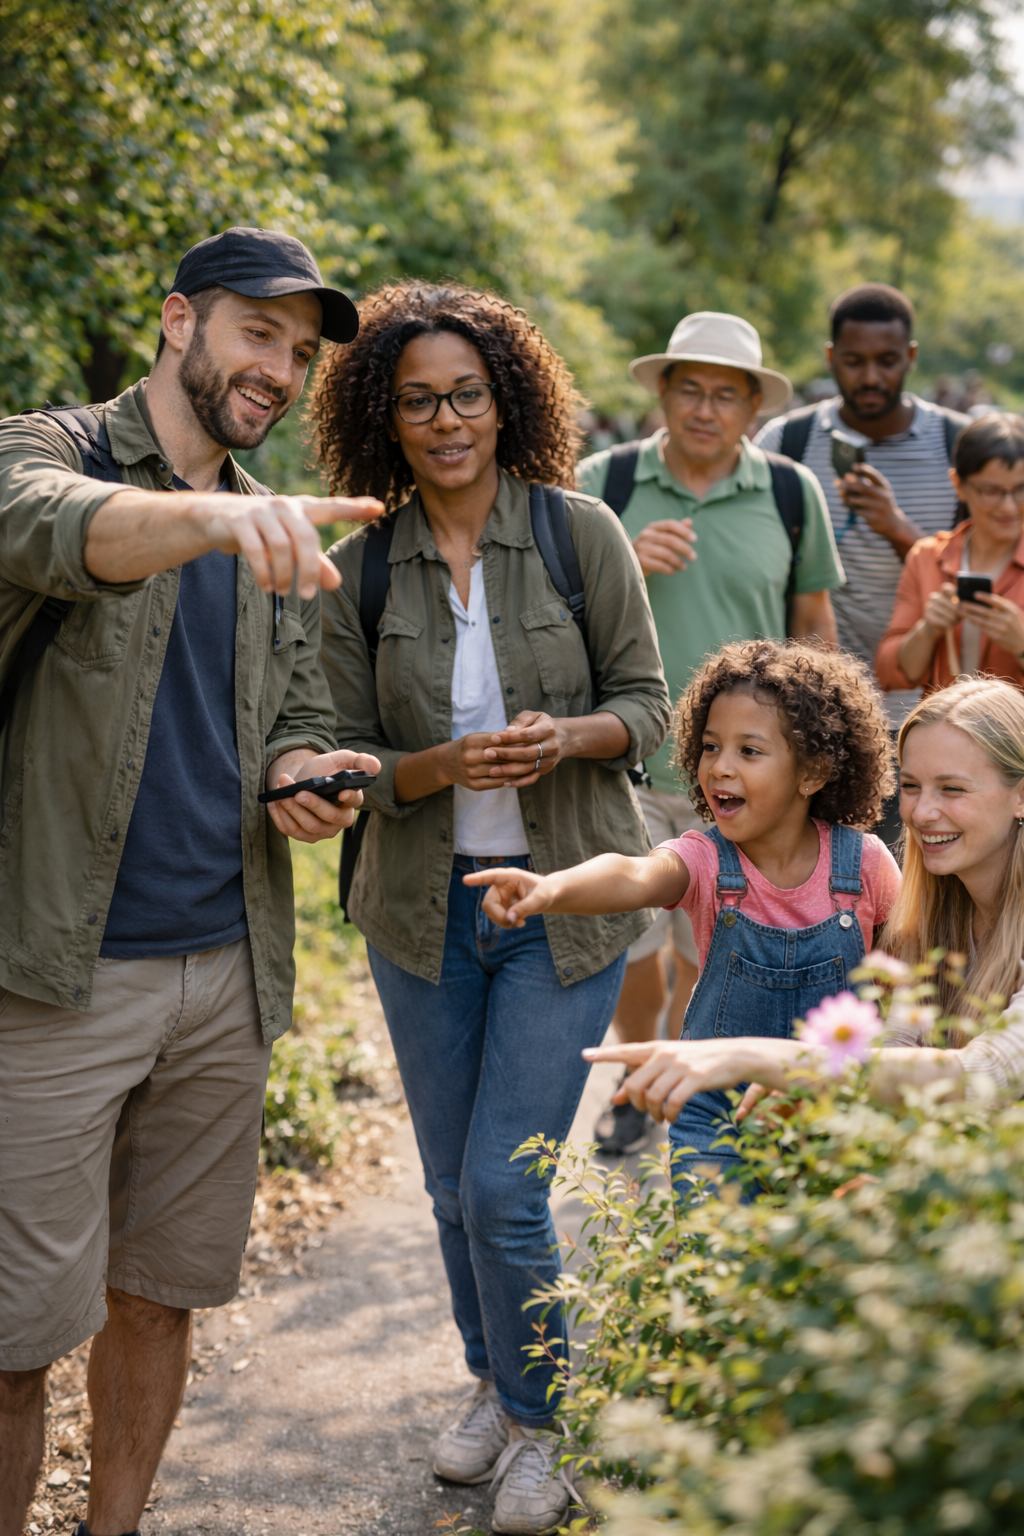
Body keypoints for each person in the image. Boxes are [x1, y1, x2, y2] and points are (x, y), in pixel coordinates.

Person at [0, 227, 384, 1536]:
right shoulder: (42, 451)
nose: (277, 368)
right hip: (52, 972)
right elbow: (51, 533)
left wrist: (308, 772)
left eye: (297, 346)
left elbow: (294, 710)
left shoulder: (278, 532)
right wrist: (207, 514)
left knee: (159, 1295)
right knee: (13, 1333)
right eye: (254, 331)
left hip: (227, 969)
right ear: (179, 320)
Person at [312, 281, 670, 1535]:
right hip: (421, 912)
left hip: (562, 903)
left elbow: (652, 708)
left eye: (467, 393)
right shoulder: (360, 568)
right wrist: (436, 769)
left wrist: (570, 735)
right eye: (419, 401)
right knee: (451, 1188)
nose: (446, 418)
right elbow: (340, 754)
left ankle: (545, 1418)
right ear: (388, 420)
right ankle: (495, 1382)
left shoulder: (580, 536)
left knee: (509, 1182)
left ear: (505, 401)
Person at [467, 638, 900, 1191]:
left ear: (812, 773)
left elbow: (906, 981)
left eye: (749, 751)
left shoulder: (863, 864)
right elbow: (635, 874)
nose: (719, 767)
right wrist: (551, 888)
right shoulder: (705, 859)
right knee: (718, 1266)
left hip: (832, 1113)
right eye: (711, 746)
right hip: (714, 1117)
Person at [575, 311, 845, 1154]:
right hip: (621, 761)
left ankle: (684, 1085)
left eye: (726, 394)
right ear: (661, 393)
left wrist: (821, 762)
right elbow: (542, 622)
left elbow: (815, 633)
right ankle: (638, 1067)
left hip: (741, 780)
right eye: (688, 388)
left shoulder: (791, 494)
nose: (704, 408)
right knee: (629, 945)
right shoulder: (602, 485)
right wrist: (619, 560)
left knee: (710, 948)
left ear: (751, 408)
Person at [585, 677, 1024, 1124]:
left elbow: (986, 1073)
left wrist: (768, 1061)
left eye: (952, 789)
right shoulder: (938, 916)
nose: (922, 812)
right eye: (911, 786)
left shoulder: (866, 869)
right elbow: (900, 1044)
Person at [756, 284, 969, 736]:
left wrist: (898, 530)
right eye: (854, 361)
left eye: (887, 361)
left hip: (932, 711)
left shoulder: (958, 445)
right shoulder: (785, 442)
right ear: (831, 358)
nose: (871, 377)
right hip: (809, 707)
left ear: (911, 356)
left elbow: (990, 575)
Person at [877, 413, 1024, 696]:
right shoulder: (927, 557)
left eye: (1020, 490)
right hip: (942, 735)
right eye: (991, 491)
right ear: (959, 485)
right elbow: (888, 672)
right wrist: (928, 629)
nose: (1008, 507)